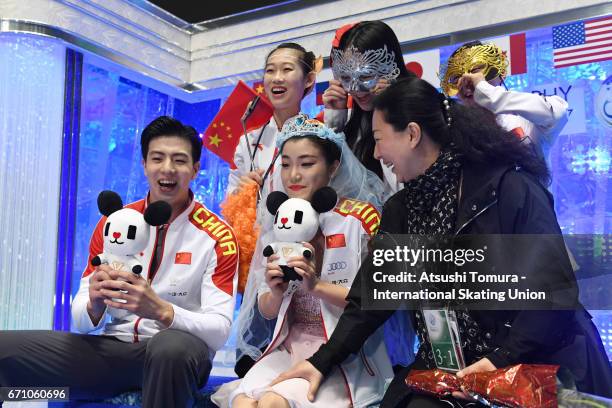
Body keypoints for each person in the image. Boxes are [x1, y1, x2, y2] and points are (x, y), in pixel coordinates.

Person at [270, 77, 612, 407]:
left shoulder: (509, 189)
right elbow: (371, 302)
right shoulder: (402, 209)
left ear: (412, 135)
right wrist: (321, 361)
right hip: (452, 370)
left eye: (379, 138)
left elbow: (553, 291)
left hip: (535, 366)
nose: (376, 152)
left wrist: (497, 361)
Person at [0, 116, 239, 408]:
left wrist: (162, 311)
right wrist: (95, 305)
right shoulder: (115, 222)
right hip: (113, 352)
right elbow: (81, 320)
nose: (167, 169)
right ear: (144, 165)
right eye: (157, 158)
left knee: (169, 348)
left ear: (195, 168)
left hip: (179, 355)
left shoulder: (217, 236)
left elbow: (219, 330)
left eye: (179, 160)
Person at [230, 115, 393, 408]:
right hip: (289, 345)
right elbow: (267, 312)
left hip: (345, 350)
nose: (293, 175)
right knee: (242, 402)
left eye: (306, 164)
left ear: (333, 167)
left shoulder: (359, 221)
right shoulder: (276, 225)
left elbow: (373, 303)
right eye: (285, 164)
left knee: (272, 403)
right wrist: (276, 291)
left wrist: (316, 285)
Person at [322, 20, 416, 194]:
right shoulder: (355, 124)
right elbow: (333, 184)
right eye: (346, 78)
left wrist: (389, 111)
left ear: (389, 66)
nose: (356, 89)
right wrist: (335, 122)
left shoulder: (421, 111)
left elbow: (405, 187)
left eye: (366, 76)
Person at [440, 40, 569, 159]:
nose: (467, 82)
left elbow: (558, 114)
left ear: (501, 74)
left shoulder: (526, 119)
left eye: (475, 70)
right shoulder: (453, 132)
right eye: (457, 78)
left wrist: (487, 92)